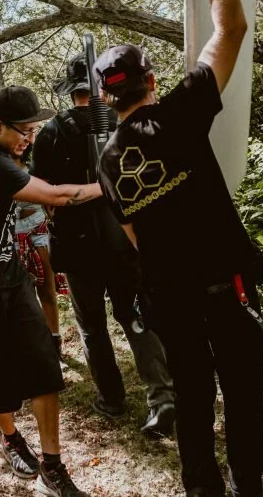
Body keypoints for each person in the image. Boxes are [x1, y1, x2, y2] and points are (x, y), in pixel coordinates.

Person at [96, 0, 263, 497]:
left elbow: (137, 237)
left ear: (106, 98)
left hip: (169, 297)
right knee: (243, 393)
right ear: (151, 80)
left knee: (194, 401)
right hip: (228, 289)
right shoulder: (181, 112)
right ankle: (248, 491)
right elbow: (232, 27)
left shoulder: (108, 163)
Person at [0, 85, 103, 497]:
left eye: (34, 129)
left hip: (11, 282)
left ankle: (53, 467)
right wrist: (110, 183)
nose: (29, 137)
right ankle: (12, 438)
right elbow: (53, 196)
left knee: (43, 370)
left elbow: (41, 192)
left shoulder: (6, 155)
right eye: (24, 130)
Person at [32, 55, 176, 437]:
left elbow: (43, 193)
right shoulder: (125, 120)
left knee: (92, 326)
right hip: (126, 238)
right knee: (136, 316)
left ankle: (112, 398)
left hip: (79, 247)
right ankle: (162, 398)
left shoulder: (51, 132)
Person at [13, 147, 60, 344]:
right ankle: (32, 343)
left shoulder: (33, 168)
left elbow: (48, 197)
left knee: (47, 289)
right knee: (22, 293)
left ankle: (54, 340)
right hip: (12, 232)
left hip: (38, 226)